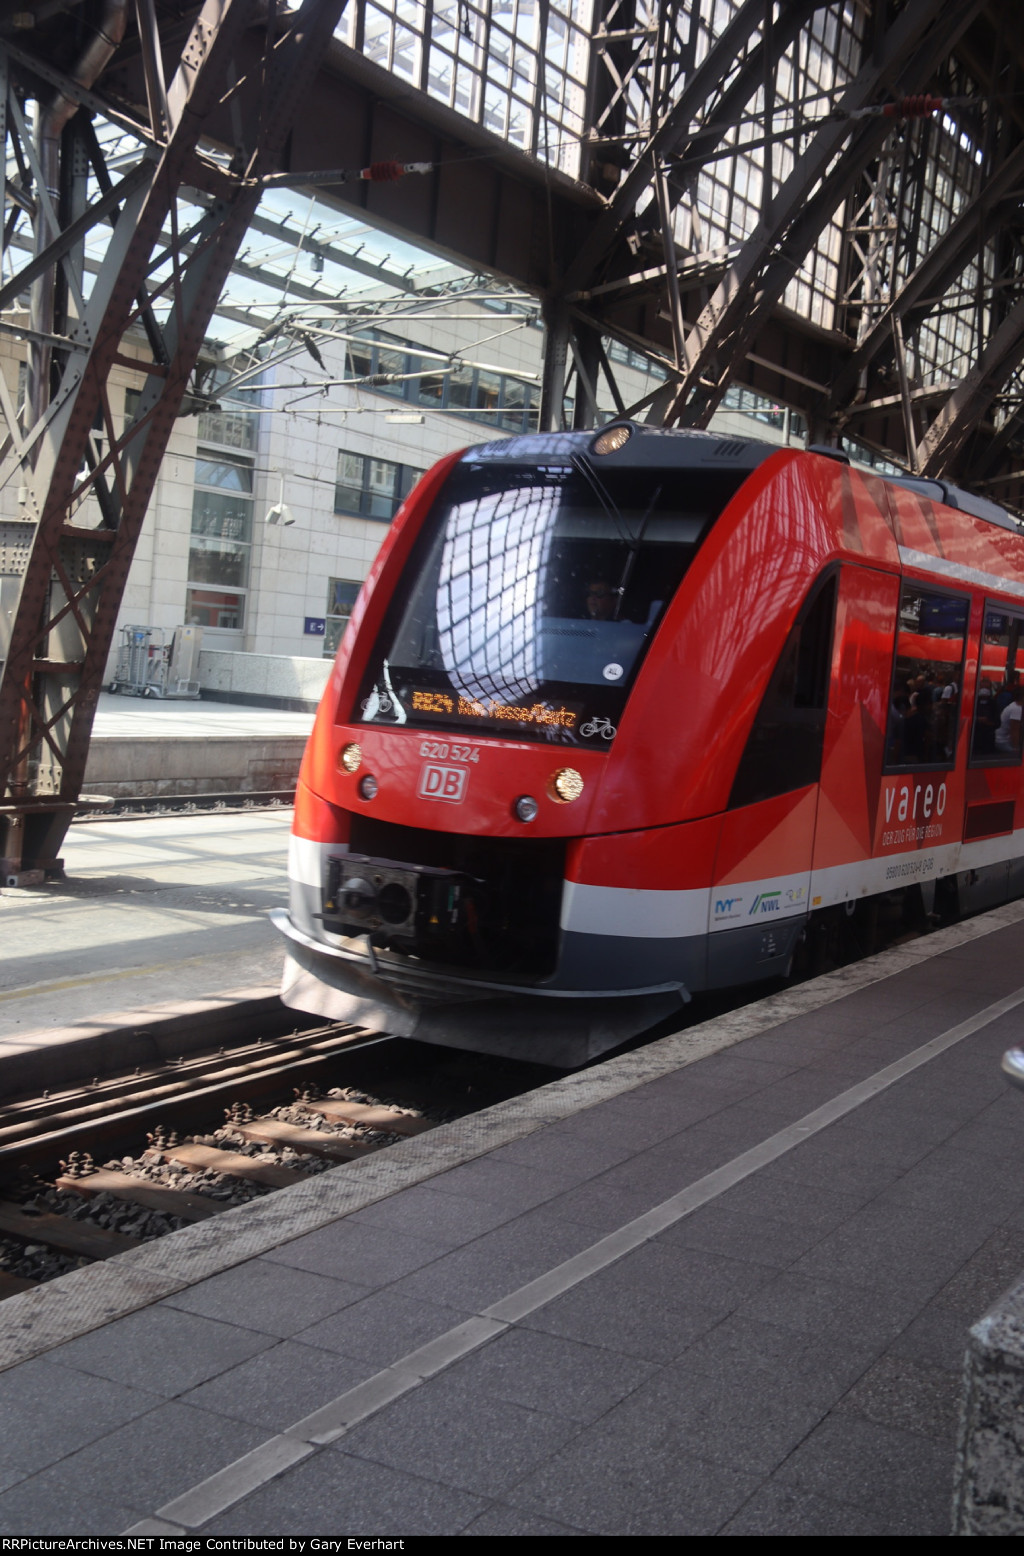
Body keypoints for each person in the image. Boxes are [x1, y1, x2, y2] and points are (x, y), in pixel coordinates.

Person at [995, 685, 1024, 755]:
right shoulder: (1017, 709)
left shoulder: (1014, 705)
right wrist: (1016, 750)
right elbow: (1014, 731)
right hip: (1003, 742)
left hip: (1004, 739)